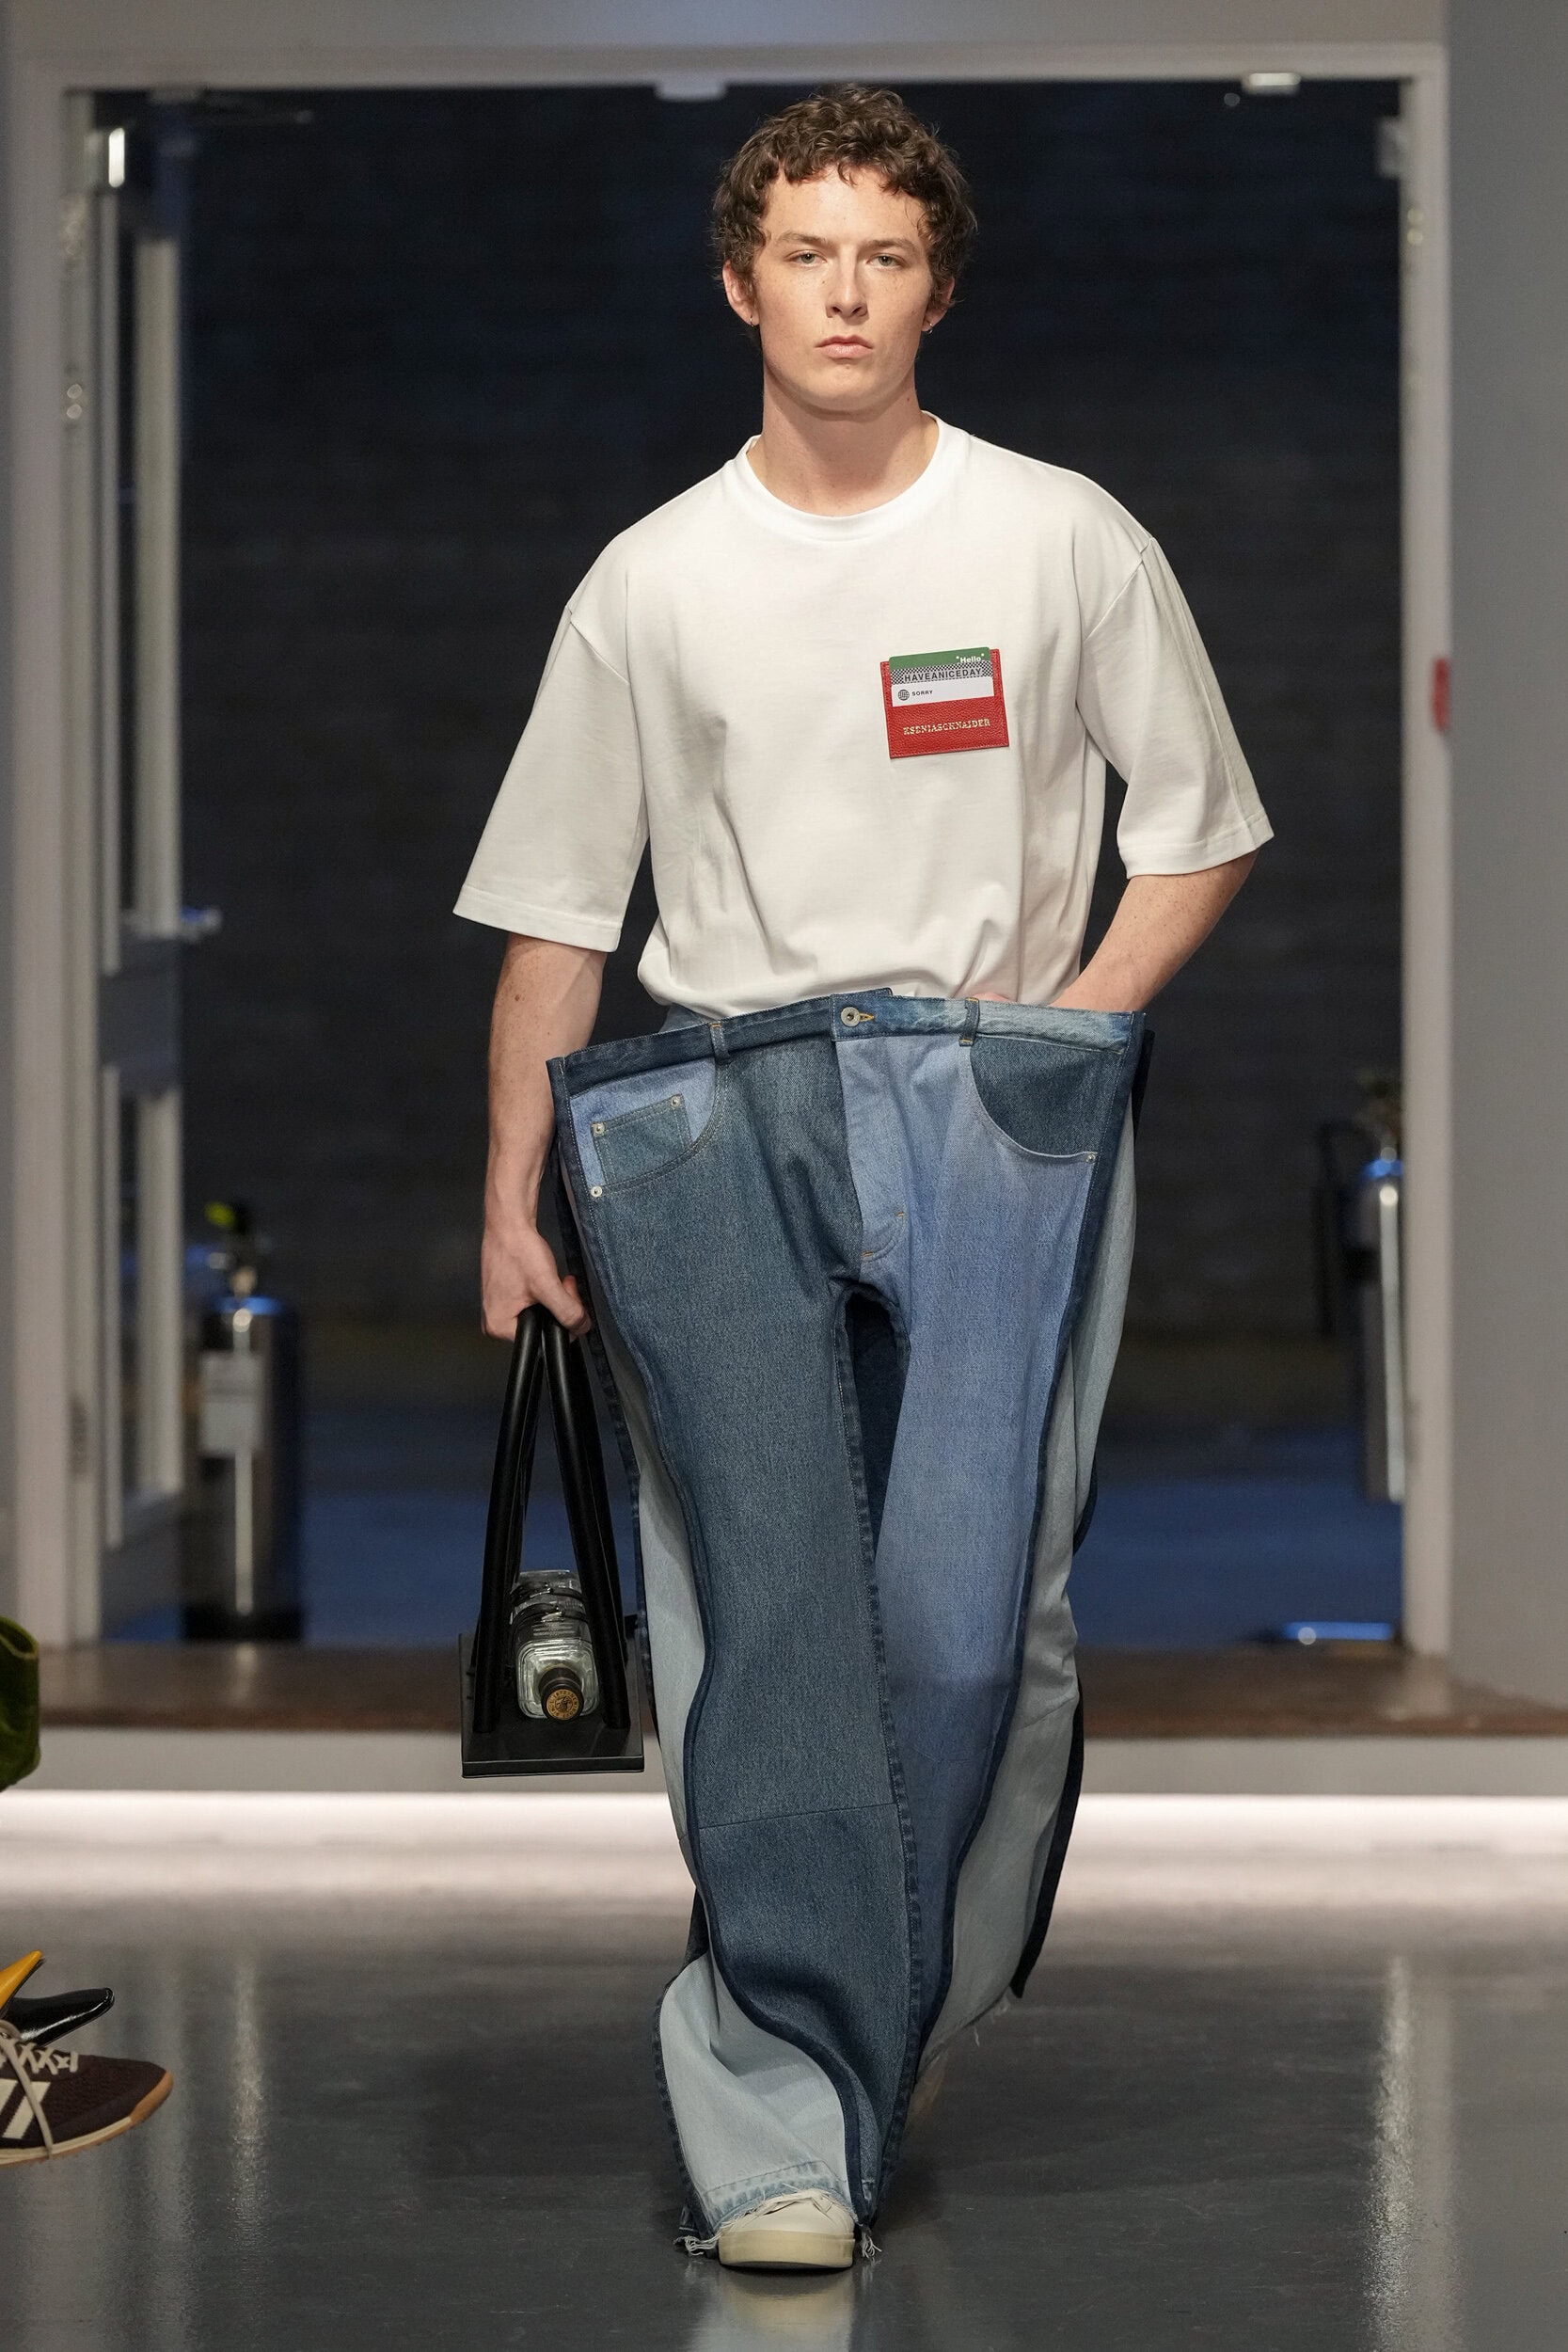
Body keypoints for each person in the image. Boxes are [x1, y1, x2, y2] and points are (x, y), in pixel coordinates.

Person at [457, 86, 1270, 2270]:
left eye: (884, 257)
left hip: (995, 1088)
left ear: (936, 289)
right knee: (768, 1620)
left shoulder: (1060, 539)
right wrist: (514, 1185)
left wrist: (1071, 1028)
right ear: (741, 285)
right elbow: (560, 913)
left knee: (983, 1623)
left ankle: (880, 1997)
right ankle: (781, 2106)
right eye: (806, 255)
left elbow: (1199, 827)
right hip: (714, 1108)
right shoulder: (655, 579)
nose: (844, 293)